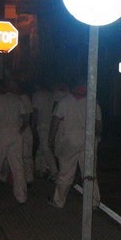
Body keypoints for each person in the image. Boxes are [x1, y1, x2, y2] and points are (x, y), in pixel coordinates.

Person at [48, 80, 102, 209]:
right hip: (88, 140)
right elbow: (98, 124)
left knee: (65, 173)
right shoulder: (92, 101)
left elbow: (55, 121)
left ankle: (58, 201)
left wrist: (51, 139)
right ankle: (93, 202)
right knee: (89, 172)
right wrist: (97, 137)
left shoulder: (65, 101)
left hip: (69, 140)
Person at [0, 78, 29, 203]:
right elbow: (26, 118)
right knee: (18, 166)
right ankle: (21, 197)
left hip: (1, 134)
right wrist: (20, 129)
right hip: (16, 134)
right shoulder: (17, 99)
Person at [30, 79, 59, 180]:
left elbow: (35, 111)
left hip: (42, 124)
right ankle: (40, 169)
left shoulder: (36, 95)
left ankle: (54, 172)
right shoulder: (51, 95)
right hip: (50, 124)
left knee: (45, 148)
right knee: (41, 148)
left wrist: (32, 126)